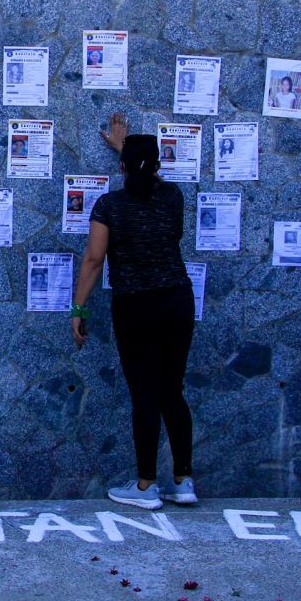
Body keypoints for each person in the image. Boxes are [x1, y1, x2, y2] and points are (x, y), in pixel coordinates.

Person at [71, 112, 198, 509]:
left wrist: (79, 309)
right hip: (177, 300)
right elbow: (147, 177)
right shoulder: (173, 197)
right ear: (159, 165)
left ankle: (145, 486)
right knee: (172, 393)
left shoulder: (110, 206)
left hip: (136, 306)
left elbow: (93, 261)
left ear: (123, 167)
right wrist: (126, 152)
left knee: (145, 394)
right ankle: (183, 481)